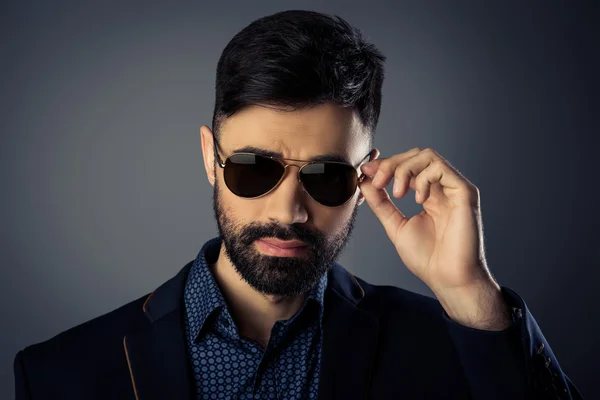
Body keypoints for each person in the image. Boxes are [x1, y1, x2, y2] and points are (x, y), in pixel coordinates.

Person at [14, 9, 583, 400]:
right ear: (211, 158)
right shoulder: (63, 375)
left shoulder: (454, 343)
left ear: (370, 174)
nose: (290, 211)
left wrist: (470, 294)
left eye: (328, 176)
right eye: (253, 168)